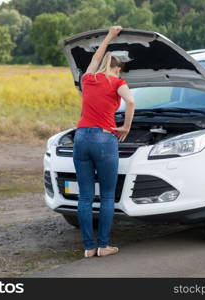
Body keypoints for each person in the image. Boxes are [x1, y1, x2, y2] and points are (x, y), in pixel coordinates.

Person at [73, 26, 135, 258]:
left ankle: (89, 248)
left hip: (81, 137)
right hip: (104, 137)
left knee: (85, 196)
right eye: (120, 71)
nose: (120, 74)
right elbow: (130, 103)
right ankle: (104, 245)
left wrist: (110, 35)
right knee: (107, 196)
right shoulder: (118, 83)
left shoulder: (88, 78)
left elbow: (96, 57)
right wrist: (126, 127)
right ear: (117, 69)